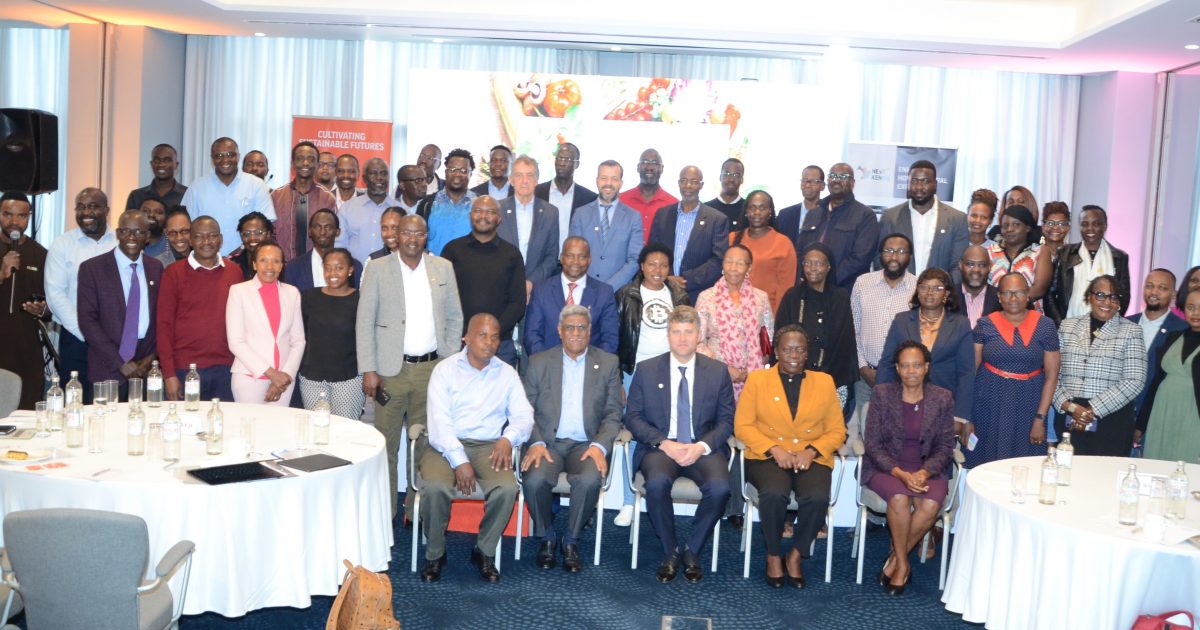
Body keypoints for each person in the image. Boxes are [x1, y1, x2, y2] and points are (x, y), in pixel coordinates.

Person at [357, 214, 463, 522]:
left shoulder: (443, 267)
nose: (412, 238)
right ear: (397, 236)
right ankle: (386, 511)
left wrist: (448, 362)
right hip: (389, 372)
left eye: (419, 233)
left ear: (426, 236)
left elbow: (455, 317)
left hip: (431, 370)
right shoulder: (377, 268)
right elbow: (364, 321)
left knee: (422, 445)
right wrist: (369, 368)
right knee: (385, 443)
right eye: (406, 233)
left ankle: (412, 510)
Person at [624, 305, 735, 584]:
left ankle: (692, 549)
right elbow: (633, 417)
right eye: (676, 332)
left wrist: (701, 447)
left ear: (698, 335)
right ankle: (670, 549)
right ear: (668, 335)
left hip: (703, 447)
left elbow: (726, 421)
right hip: (661, 448)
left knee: (721, 488)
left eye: (688, 332)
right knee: (657, 483)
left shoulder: (718, 371)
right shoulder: (647, 370)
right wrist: (664, 443)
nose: (682, 338)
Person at [420, 313, 533, 583]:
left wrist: (508, 438)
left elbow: (524, 416)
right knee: (435, 487)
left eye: (494, 337)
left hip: (488, 446)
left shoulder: (507, 373)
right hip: (446, 445)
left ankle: (484, 550)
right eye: (482, 335)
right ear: (466, 338)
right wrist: (460, 461)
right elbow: (439, 423)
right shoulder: (445, 370)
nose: (489, 343)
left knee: (507, 488)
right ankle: (435, 553)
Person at [735, 325, 846, 589]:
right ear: (776, 351)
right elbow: (743, 425)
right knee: (774, 493)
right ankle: (774, 554)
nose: (794, 355)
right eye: (787, 349)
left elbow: (837, 431)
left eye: (800, 349)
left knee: (817, 497)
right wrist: (774, 449)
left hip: (810, 456)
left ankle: (796, 554)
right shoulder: (757, 380)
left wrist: (812, 451)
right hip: (767, 456)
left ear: (807, 353)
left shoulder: (824, 382)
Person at [520, 306, 623, 572]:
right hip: (548, 444)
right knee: (534, 480)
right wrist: (536, 442)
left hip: (586, 445)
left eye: (581, 327)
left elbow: (613, 414)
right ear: (559, 331)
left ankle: (571, 540)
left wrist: (599, 445)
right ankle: (547, 537)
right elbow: (524, 410)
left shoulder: (608, 363)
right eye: (570, 327)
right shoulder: (539, 362)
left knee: (589, 480)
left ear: (589, 331)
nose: (575, 333)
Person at [862, 341, 956, 596]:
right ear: (897, 368)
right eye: (905, 366)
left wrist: (924, 472)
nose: (911, 371)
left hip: (928, 468)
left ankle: (895, 559)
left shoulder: (942, 397)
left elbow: (945, 446)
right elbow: (873, 444)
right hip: (887, 468)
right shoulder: (882, 394)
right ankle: (903, 564)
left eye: (917, 365)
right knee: (899, 497)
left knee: (930, 504)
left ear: (926, 367)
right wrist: (900, 474)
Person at [613, 243, 691, 526]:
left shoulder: (680, 296)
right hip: (634, 373)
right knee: (632, 434)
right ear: (642, 267)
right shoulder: (626, 295)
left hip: (671, 373)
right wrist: (618, 378)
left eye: (663, 265)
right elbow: (615, 340)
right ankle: (628, 501)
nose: (658, 270)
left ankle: (659, 493)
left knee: (666, 433)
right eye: (652, 264)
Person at [964, 273, 1060, 468]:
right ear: (999, 297)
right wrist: (967, 417)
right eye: (1007, 293)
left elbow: (1051, 377)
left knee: (1024, 462)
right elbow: (970, 373)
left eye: (1019, 292)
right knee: (987, 463)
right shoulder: (985, 324)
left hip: (1029, 403)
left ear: (1028, 295)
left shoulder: (1046, 326)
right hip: (988, 403)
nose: (1013, 298)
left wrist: (1040, 418)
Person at [1054, 275, 1146, 456]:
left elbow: (1135, 380)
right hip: (1069, 414)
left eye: (1113, 297)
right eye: (1100, 295)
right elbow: (1052, 372)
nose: (1107, 302)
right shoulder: (1067, 326)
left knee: (1105, 470)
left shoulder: (1131, 331)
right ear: (1089, 296)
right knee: (1068, 468)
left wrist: (1092, 410)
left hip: (1111, 418)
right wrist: (1068, 406)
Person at [156, 216, 242, 403]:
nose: (206, 241)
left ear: (220, 239)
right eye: (199, 236)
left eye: (212, 236)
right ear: (191, 240)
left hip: (226, 368)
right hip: (185, 369)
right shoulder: (173, 273)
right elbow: (164, 326)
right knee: (187, 420)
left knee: (223, 420)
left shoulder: (234, 272)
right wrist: (169, 374)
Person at [76, 209, 163, 391]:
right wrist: (119, 362)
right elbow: (87, 321)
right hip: (107, 367)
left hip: (145, 368)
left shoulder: (156, 268)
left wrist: (153, 356)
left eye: (138, 232)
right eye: (125, 231)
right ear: (117, 234)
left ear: (147, 236)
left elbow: (162, 317)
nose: (131, 237)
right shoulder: (92, 269)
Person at [45, 187, 118, 402]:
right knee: (76, 402)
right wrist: (86, 332)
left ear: (107, 210)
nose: (86, 212)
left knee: (112, 401)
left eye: (93, 206)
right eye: (80, 207)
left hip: (115, 337)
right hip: (76, 338)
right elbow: (55, 294)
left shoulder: (121, 242)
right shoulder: (62, 244)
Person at [876, 268, 975, 424]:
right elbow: (886, 364)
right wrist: (881, 404)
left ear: (947, 293)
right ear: (917, 291)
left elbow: (966, 373)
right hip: (903, 403)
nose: (929, 292)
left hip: (945, 404)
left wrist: (961, 416)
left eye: (937, 288)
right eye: (924, 287)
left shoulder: (960, 324)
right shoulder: (901, 321)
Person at [441, 196, 527, 367]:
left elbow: (517, 303)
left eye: (490, 212)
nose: (483, 216)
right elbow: (442, 297)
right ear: (470, 216)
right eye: (478, 211)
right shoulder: (452, 250)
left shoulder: (512, 254)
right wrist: (467, 334)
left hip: (499, 344)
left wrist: (492, 334)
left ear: (499, 219)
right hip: (459, 341)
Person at [850, 234, 918, 446]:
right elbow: (853, 329)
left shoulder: (918, 287)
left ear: (910, 256)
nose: (894, 257)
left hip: (902, 379)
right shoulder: (863, 283)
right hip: (866, 377)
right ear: (880, 255)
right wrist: (863, 367)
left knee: (898, 440)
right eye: (889, 251)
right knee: (867, 439)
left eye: (901, 251)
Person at [225, 241, 305, 406]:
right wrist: (271, 374)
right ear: (254, 264)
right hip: (248, 377)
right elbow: (236, 342)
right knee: (248, 423)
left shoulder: (292, 293)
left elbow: (298, 340)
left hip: (284, 380)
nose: (269, 266)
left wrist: (285, 375)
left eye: (275, 261)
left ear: (281, 266)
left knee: (279, 423)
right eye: (263, 260)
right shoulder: (238, 291)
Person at [775, 243, 858, 402]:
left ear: (828, 267)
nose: (812, 268)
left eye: (819, 263)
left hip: (833, 378)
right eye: (808, 263)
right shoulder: (792, 296)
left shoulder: (840, 298)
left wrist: (825, 378)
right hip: (795, 377)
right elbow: (780, 338)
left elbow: (844, 343)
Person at [694, 244, 772, 399]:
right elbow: (697, 342)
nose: (733, 268)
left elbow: (768, 338)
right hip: (716, 375)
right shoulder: (706, 297)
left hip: (753, 377)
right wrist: (724, 369)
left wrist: (753, 367)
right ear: (722, 265)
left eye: (740, 263)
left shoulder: (761, 298)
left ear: (749, 268)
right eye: (729, 261)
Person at [877, 160, 968, 285]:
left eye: (925, 181)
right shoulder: (890, 217)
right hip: (897, 291)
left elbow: (959, 265)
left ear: (935, 184)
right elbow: (879, 259)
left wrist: (942, 289)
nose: (919, 187)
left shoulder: (957, 219)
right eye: (914, 181)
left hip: (938, 293)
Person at [647, 165, 729, 303]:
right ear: (679, 183)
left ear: (701, 185)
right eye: (684, 180)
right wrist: (666, 278)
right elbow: (652, 252)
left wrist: (686, 280)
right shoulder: (662, 214)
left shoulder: (717, 219)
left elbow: (718, 260)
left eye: (694, 181)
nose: (688, 185)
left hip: (698, 295)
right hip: (662, 290)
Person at [524, 237, 618, 355]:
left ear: (589, 260)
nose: (576, 262)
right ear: (561, 258)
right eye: (570, 256)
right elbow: (532, 335)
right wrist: (546, 363)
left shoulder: (604, 293)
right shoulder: (541, 291)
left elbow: (610, 339)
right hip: (549, 363)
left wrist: (593, 364)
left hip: (591, 364)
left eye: (582, 257)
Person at [298, 248, 363, 419]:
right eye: (327, 268)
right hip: (311, 378)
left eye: (339, 268)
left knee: (344, 429)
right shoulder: (308, 297)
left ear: (350, 270)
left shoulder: (360, 300)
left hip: (348, 379)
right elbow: (299, 335)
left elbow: (367, 340)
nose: (332, 273)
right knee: (315, 428)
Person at [1136, 289, 1200, 461]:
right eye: (1191, 307)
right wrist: (1140, 424)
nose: (1196, 313)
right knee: (1156, 460)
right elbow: (1156, 382)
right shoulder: (1173, 336)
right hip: (1161, 411)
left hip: (1193, 414)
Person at [181, 137, 274, 255]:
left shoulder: (256, 185)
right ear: (212, 158)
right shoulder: (196, 187)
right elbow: (187, 227)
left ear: (238, 157)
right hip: (207, 259)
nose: (225, 159)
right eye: (219, 155)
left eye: (230, 155)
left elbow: (265, 227)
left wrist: (235, 255)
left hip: (247, 258)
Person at [797, 163, 881, 291]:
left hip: (845, 291)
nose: (836, 180)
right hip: (810, 288)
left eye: (843, 176)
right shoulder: (814, 212)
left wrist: (826, 281)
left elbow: (860, 258)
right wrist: (807, 278)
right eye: (833, 176)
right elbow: (800, 251)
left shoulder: (865, 216)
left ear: (852, 183)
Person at [0, 192, 49, 409]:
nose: (14, 221)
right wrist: (2, 273)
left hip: (26, 350)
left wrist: (42, 309)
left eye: (21, 216)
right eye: (8, 214)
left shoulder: (41, 254)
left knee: (27, 412)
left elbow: (51, 304)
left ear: (29, 217)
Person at [1047, 205, 1131, 321]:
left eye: (1096, 224)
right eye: (1085, 224)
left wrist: (1111, 325)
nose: (1090, 228)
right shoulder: (1065, 254)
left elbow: (1124, 298)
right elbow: (1050, 295)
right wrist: (1060, 324)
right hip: (1068, 326)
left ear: (1105, 226)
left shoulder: (1119, 258)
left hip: (1106, 328)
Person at [569, 160, 643, 289]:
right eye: (604, 178)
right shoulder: (580, 214)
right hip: (584, 289)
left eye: (614, 179)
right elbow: (573, 255)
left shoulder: (633, 217)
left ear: (621, 183)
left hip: (618, 291)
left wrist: (608, 288)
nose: (608, 183)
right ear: (597, 181)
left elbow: (634, 260)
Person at [1130, 269, 1189, 417]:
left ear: (1173, 294)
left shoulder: (1182, 330)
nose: (1154, 292)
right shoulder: (1126, 323)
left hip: (1157, 411)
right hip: (1119, 411)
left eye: (1162, 288)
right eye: (1149, 286)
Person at [498, 155, 560, 287]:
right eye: (519, 175)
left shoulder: (551, 213)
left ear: (536, 180)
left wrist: (531, 282)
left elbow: (551, 257)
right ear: (511, 180)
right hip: (502, 284)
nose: (524, 181)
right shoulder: (497, 209)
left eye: (530, 175)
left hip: (537, 287)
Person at [271, 141, 338, 262]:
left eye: (311, 159)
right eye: (300, 159)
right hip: (282, 266)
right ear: (292, 164)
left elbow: (333, 237)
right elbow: (269, 234)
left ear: (317, 164)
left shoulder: (328, 199)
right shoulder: (276, 196)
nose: (306, 163)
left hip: (316, 266)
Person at [731, 190, 797, 312]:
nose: (757, 212)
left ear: (770, 212)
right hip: (730, 312)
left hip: (766, 313)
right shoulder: (731, 239)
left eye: (762, 208)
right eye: (752, 208)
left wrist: (775, 317)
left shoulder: (783, 243)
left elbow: (785, 287)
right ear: (746, 212)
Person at [336, 157, 399, 265]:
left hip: (390, 272)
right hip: (355, 272)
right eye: (373, 173)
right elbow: (339, 246)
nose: (379, 177)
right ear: (364, 179)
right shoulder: (347, 209)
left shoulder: (401, 211)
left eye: (383, 173)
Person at [536, 142, 598, 252]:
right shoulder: (537, 193)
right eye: (559, 158)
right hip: (541, 258)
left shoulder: (589, 198)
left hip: (573, 259)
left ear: (577, 164)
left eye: (568, 160)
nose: (562, 163)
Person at [985, 205, 1052, 306]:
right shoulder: (989, 252)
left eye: (1016, 225)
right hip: (993, 312)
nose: (1009, 229)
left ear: (1027, 228)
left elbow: (1039, 289)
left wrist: (1009, 304)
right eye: (1005, 225)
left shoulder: (1040, 252)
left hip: (1030, 313)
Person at [283, 209, 362, 292]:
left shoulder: (354, 266)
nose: (322, 232)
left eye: (328, 227)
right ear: (309, 231)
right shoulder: (294, 267)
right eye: (317, 227)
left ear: (337, 232)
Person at [419, 148, 478, 256]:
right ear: (446, 172)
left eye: (463, 170)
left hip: (470, 265)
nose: (457, 174)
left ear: (471, 174)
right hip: (434, 265)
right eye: (452, 169)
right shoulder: (427, 204)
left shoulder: (480, 205)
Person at [620, 148, 678, 243]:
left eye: (655, 163)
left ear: (662, 169)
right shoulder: (621, 200)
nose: (649, 167)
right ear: (638, 167)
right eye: (645, 162)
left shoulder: (673, 204)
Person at [125, 143, 187, 211]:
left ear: (176, 165)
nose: (161, 164)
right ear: (151, 164)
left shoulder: (187, 194)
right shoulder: (136, 196)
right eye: (157, 160)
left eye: (167, 160)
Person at [776, 165, 825, 244]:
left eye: (813, 181)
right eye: (804, 181)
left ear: (822, 186)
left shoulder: (828, 214)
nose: (807, 185)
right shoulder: (785, 215)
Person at [957, 245, 1001, 328]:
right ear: (960, 265)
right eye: (970, 264)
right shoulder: (948, 297)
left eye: (982, 265)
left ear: (990, 266)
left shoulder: (1000, 299)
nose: (976, 270)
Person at [228, 211, 274, 281]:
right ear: (241, 236)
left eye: (258, 233)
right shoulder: (232, 263)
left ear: (268, 234)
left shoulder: (276, 262)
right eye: (247, 233)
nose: (252, 238)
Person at [705, 158, 746, 232]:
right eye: (727, 174)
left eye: (736, 175)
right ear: (720, 177)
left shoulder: (748, 210)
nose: (731, 179)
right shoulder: (706, 209)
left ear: (742, 179)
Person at [137, 198, 171, 263]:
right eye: (145, 211)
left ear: (166, 218)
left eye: (158, 212)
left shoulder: (173, 241)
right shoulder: (128, 241)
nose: (151, 215)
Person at [1039, 202, 1070, 267]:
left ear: (1068, 228)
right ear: (1043, 227)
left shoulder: (1074, 255)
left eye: (1061, 224)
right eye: (1050, 223)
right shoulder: (1034, 254)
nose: (1055, 227)